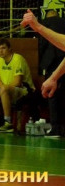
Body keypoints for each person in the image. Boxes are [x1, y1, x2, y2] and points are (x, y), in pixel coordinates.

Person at [36, 9, 65, 137]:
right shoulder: (63, 22)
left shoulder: (45, 23)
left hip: (51, 60)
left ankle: (55, 128)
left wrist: (41, 64)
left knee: (52, 95)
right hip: (63, 58)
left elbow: (42, 44)